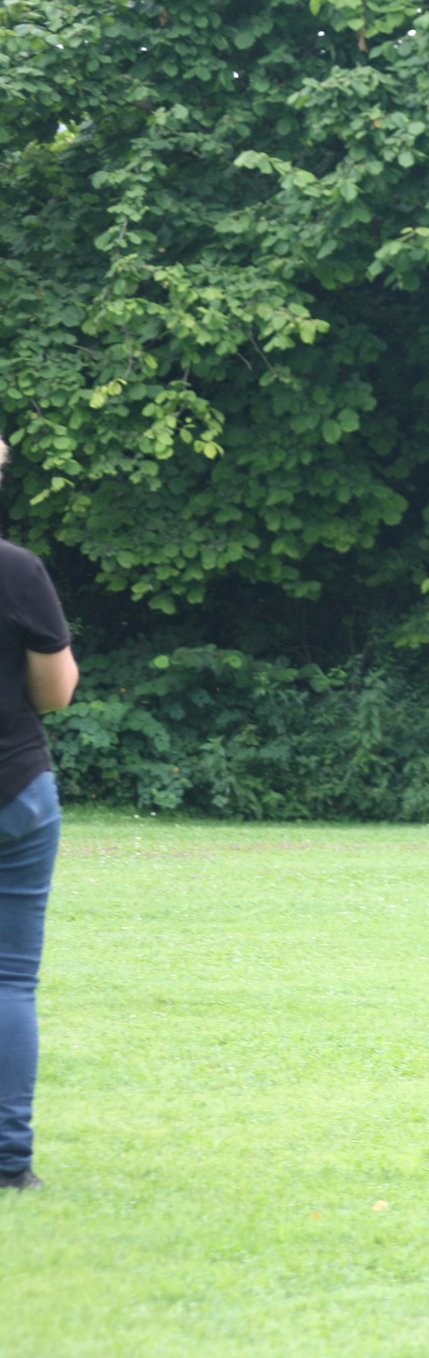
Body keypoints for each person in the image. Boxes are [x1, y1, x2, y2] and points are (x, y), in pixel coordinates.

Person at [0, 436, 77, 1192]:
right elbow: (55, 692)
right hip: (13, 789)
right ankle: (8, 1162)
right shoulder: (17, 570)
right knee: (9, 982)